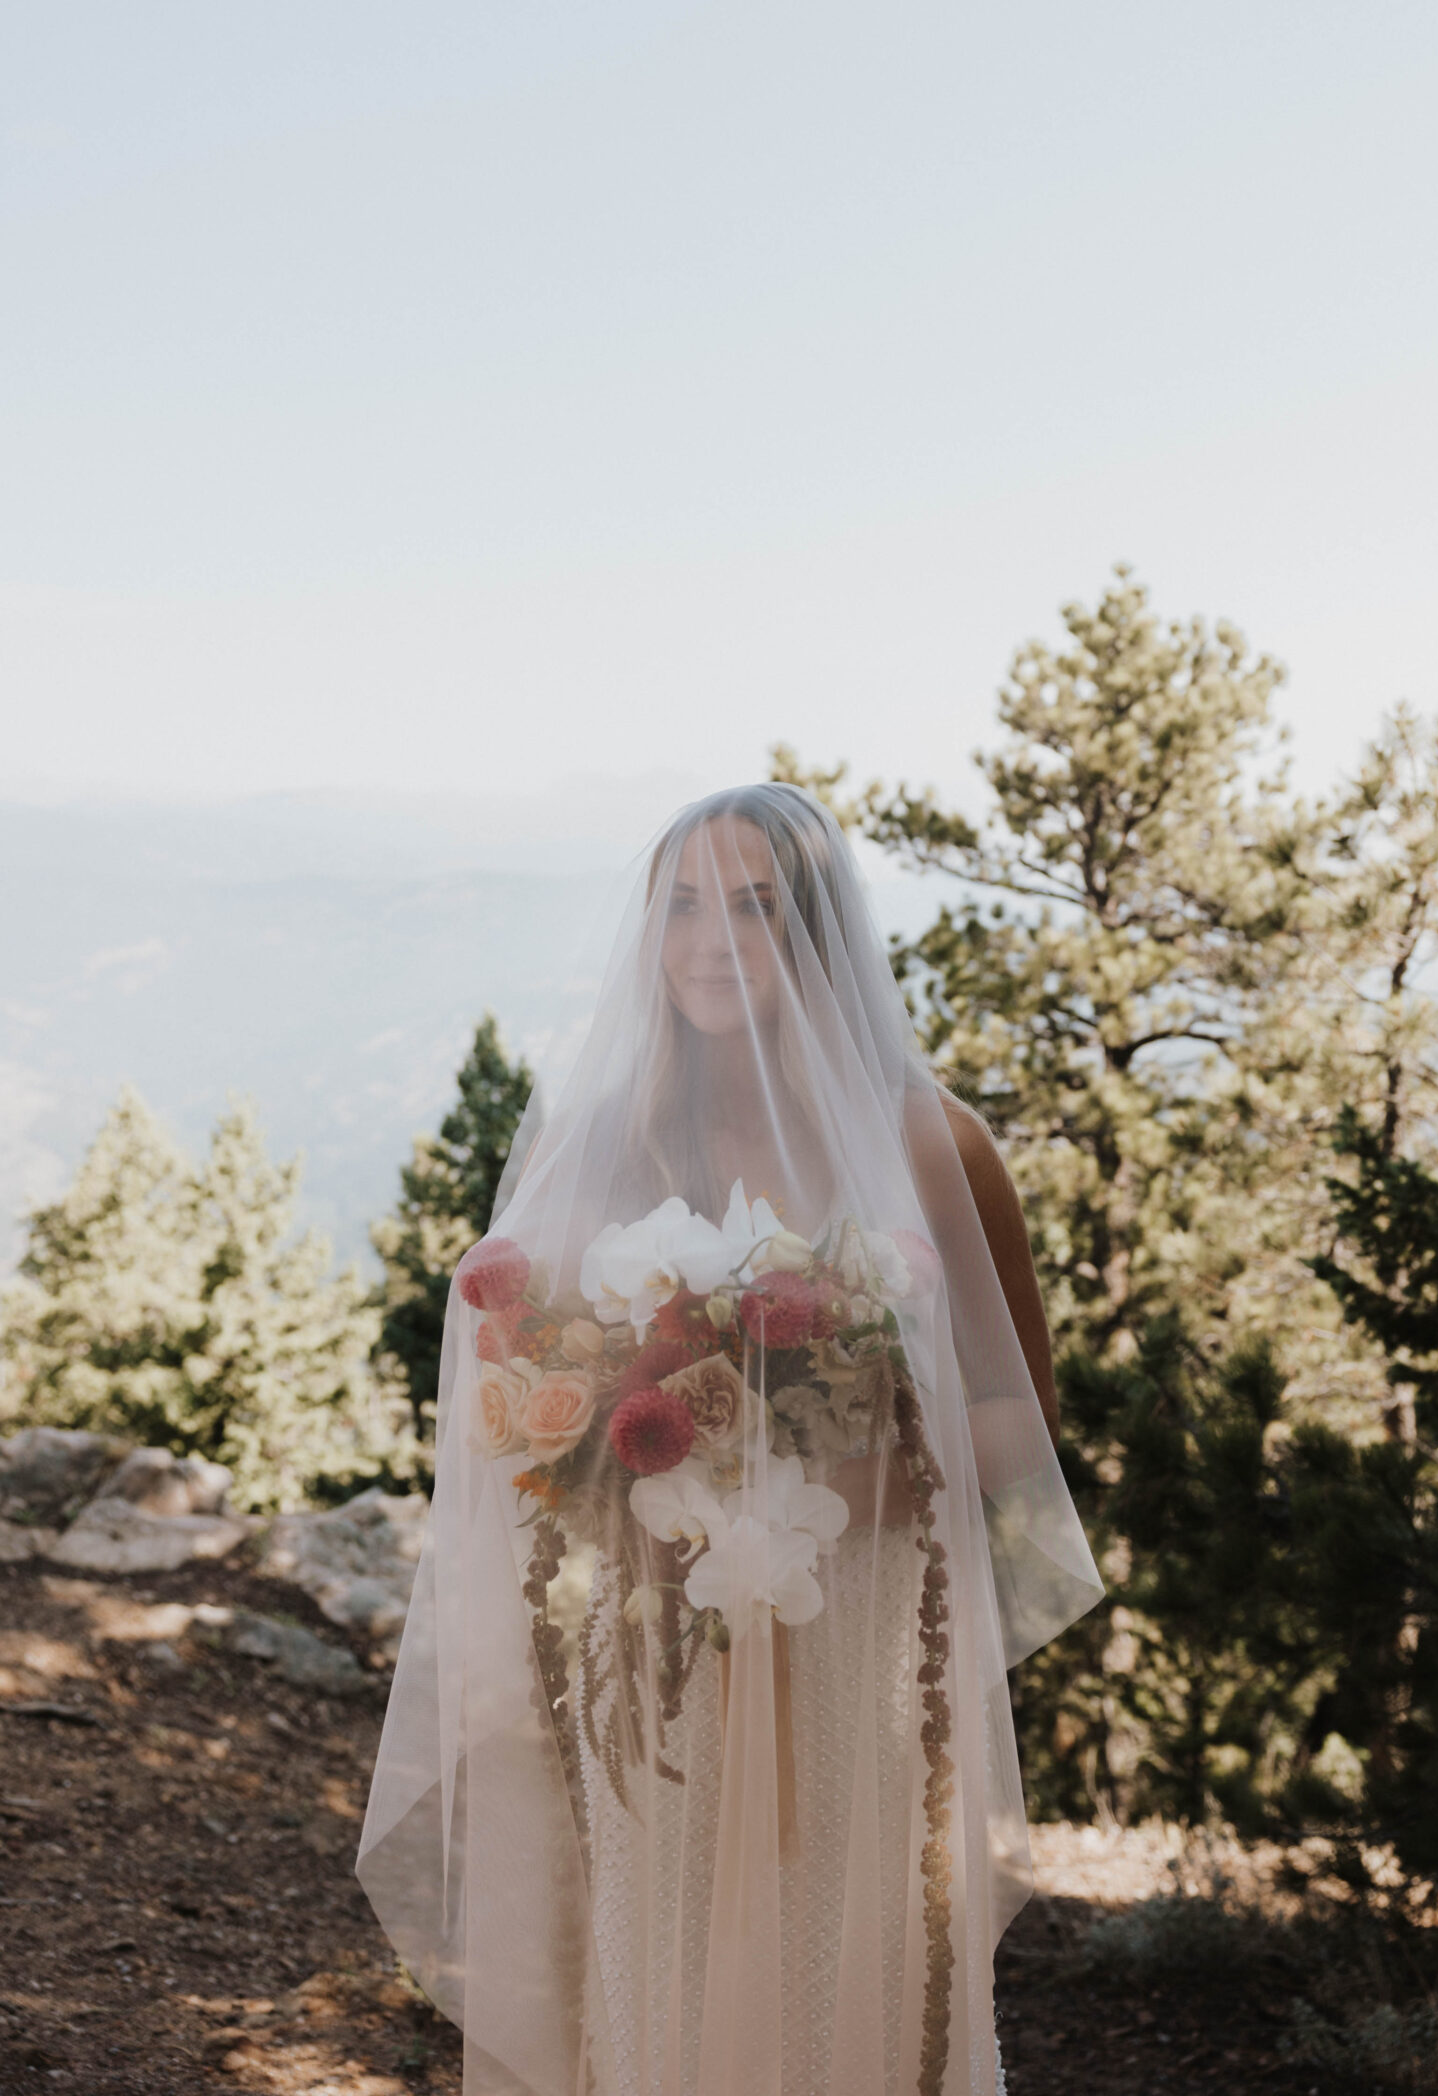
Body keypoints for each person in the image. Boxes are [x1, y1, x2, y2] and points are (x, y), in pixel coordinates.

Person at [359, 784, 1102, 2096]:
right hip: (655, 1650)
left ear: (816, 934)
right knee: (663, 1978)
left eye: (755, 907)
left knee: (855, 1974)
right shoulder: (607, 1137)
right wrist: (607, 1455)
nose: (711, 941)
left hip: (859, 1649)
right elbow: (528, 1387)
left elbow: (1020, 1417)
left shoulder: (929, 1143)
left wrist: (849, 1483)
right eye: (685, 905)